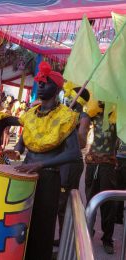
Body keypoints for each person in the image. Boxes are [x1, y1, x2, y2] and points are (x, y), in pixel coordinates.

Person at [14, 61, 81, 260]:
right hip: (25, 174)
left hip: (48, 179)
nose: (41, 85)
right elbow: (22, 141)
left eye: (46, 82)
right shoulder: (31, 114)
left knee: (42, 226)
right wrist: (17, 151)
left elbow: (74, 154)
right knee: (22, 220)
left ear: (57, 88)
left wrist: (41, 164)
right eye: (40, 82)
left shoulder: (66, 116)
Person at [54, 86, 91, 245]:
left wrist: (70, 124)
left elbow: (82, 143)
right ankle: (63, 238)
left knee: (64, 202)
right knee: (58, 201)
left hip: (71, 165)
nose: (67, 98)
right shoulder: (66, 112)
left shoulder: (83, 117)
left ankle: (65, 240)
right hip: (60, 161)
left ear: (78, 99)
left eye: (71, 96)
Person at [84, 101, 118, 254]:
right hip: (91, 163)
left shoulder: (118, 116)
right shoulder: (92, 114)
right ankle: (87, 230)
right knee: (90, 199)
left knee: (107, 203)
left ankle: (107, 239)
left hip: (107, 165)